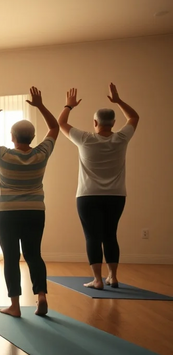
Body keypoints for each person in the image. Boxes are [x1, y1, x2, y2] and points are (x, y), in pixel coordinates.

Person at [0, 88, 59, 318]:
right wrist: (40, 106)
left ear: (12, 137)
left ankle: (15, 305)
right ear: (32, 138)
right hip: (34, 212)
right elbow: (54, 128)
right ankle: (41, 294)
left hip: (7, 213)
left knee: (11, 257)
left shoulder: (3, 155)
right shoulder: (41, 153)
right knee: (33, 254)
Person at [57, 84, 139, 290]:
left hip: (87, 197)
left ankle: (97, 280)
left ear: (95, 122)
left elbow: (61, 123)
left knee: (92, 237)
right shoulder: (121, 138)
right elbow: (134, 118)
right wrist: (118, 100)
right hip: (116, 196)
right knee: (110, 234)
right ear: (113, 123)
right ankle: (113, 277)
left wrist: (69, 105)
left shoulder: (85, 139)